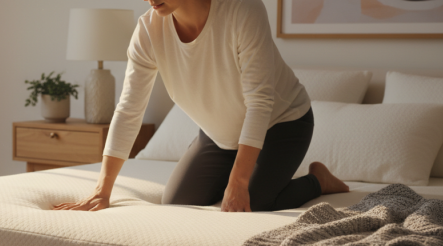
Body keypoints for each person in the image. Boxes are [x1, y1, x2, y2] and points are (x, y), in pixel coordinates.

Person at [53, 0, 349, 213]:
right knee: (176, 203)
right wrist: (102, 190)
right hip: (219, 136)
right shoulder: (148, 31)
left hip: (283, 124)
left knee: (253, 202)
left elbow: (260, 102)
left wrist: (239, 180)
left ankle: (318, 181)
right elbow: (129, 110)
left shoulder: (242, 9)